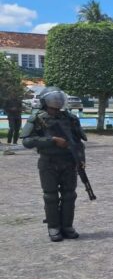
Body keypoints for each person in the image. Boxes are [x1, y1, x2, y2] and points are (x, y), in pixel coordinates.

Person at [21, 86, 87, 242]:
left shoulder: (70, 118)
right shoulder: (37, 118)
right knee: (50, 196)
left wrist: (81, 159)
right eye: (53, 100)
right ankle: (54, 227)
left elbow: (78, 141)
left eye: (58, 99)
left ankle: (67, 226)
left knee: (69, 195)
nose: (57, 103)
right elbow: (27, 141)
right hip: (48, 162)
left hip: (68, 162)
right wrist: (52, 140)